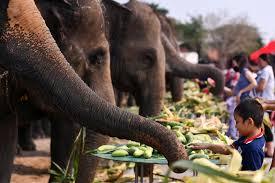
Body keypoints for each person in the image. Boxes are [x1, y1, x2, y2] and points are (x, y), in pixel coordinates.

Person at [191, 99, 265, 171]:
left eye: (237, 122)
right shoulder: (248, 137)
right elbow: (228, 149)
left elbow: (251, 177)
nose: (235, 126)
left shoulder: (252, 149)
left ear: (249, 122)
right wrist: (207, 146)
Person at [224, 53, 257, 139]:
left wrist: (241, 91)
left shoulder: (246, 71)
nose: (233, 65)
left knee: (245, 126)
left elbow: (254, 83)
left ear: (239, 62)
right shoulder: (241, 73)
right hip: (242, 103)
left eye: (234, 63)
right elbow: (233, 92)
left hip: (247, 103)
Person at [251, 54, 275, 157]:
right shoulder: (267, 69)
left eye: (259, 60)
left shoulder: (266, 70)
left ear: (264, 60)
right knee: (265, 128)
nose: (258, 63)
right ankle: (268, 150)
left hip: (265, 105)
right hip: (265, 102)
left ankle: (269, 151)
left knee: (266, 128)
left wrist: (251, 85)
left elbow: (261, 87)